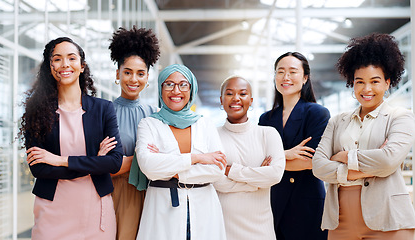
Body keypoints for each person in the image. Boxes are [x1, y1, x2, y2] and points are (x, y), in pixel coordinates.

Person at [312, 33, 415, 239]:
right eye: (360, 82)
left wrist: (343, 157)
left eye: (375, 81)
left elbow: (387, 160)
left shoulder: (401, 117)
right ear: (352, 83)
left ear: (388, 83)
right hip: (340, 220)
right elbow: (318, 166)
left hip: (389, 219)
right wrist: (367, 167)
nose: (366, 89)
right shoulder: (337, 121)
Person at [21, 37, 123, 239]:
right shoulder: (37, 111)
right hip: (52, 210)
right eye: (57, 59)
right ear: (50, 67)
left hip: (95, 208)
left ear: (82, 66)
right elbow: (39, 168)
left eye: (71, 58)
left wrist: (59, 160)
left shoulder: (103, 109)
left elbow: (113, 162)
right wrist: (94, 161)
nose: (65, 64)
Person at [135, 64, 227, 240]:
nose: (176, 90)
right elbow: (148, 166)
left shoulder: (204, 124)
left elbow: (217, 169)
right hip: (162, 208)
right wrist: (197, 158)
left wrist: (169, 167)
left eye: (183, 84)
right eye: (169, 84)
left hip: (204, 208)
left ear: (191, 89)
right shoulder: (148, 124)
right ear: (160, 88)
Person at [258, 52, 330, 240]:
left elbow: (312, 161)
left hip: (306, 204)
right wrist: (287, 154)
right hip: (271, 204)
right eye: (280, 72)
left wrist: (274, 161)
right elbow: (256, 161)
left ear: (305, 78)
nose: (286, 77)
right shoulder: (266, 119)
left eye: (293, 72)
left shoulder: (317, 113)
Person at [104, 26, 160, 240]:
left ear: (147, 77)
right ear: (117, 74)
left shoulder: (154, 115)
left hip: (152, 192)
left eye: (140, 73)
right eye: (127, 72)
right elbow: (100, 165)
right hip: (117, 192)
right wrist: (142, 158)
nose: (133, 79)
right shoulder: (104, 112)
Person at [213, 76, 285, 240]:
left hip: (261, 229)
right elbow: (215, 180)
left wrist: (231, 170)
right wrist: (257, 180)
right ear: (221, 100)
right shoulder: (212, 136)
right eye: (230, 93)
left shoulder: (268, 134)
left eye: (243, 94)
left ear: (251, 100)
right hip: (223, 228)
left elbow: (274, 175)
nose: (236, 98)